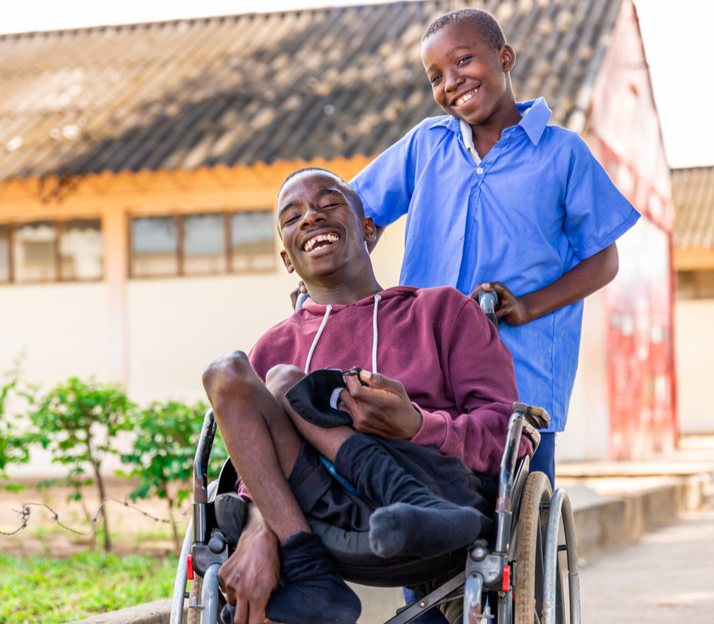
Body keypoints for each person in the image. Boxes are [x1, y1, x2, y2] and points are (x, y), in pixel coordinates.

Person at [203, 167, 530, 624]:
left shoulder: (442, 312)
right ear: (286, 259)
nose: (311, 218)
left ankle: (404, 503)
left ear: (368, 229)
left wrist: (417, 424)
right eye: (293, 216)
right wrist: (260, 528)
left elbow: (507, 437)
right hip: (316, 515)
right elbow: (253, 463)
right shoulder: (274, 345)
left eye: (328, 203)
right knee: (236, 374)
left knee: (283, 384)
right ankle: (307, 569)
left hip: (435, 496)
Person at [349, 8, 641, 486]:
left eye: (463, 60)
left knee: (519, 500)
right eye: (436, 75)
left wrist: (527, 305)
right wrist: (353, 268)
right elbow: (357, 212)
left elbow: (603, 259)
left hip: (520, 370)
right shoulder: (426, 145)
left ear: (504, 57)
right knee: (426, 492)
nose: (451, 81)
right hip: (427, 367)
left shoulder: (562, 153)